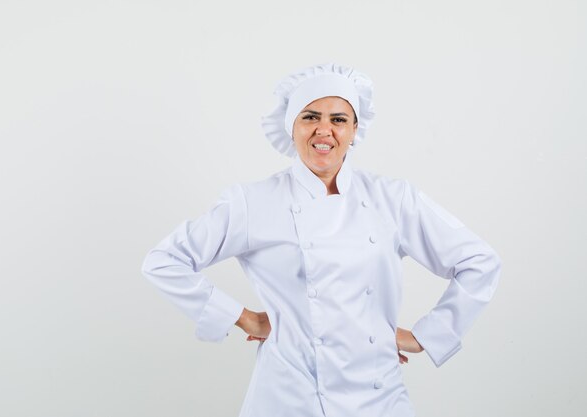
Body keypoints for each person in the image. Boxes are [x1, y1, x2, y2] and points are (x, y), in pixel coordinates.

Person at [141, 63, 502, 417]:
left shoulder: (392, 199)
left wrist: (428, 334)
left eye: (338, 119)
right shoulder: (253, 202)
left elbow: (479, 262)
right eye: (310, 117)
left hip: (380, 396)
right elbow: (164, 261)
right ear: (292, 126)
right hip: (289, 396)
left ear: (355, 128)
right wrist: (242, 317)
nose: (324, 131)